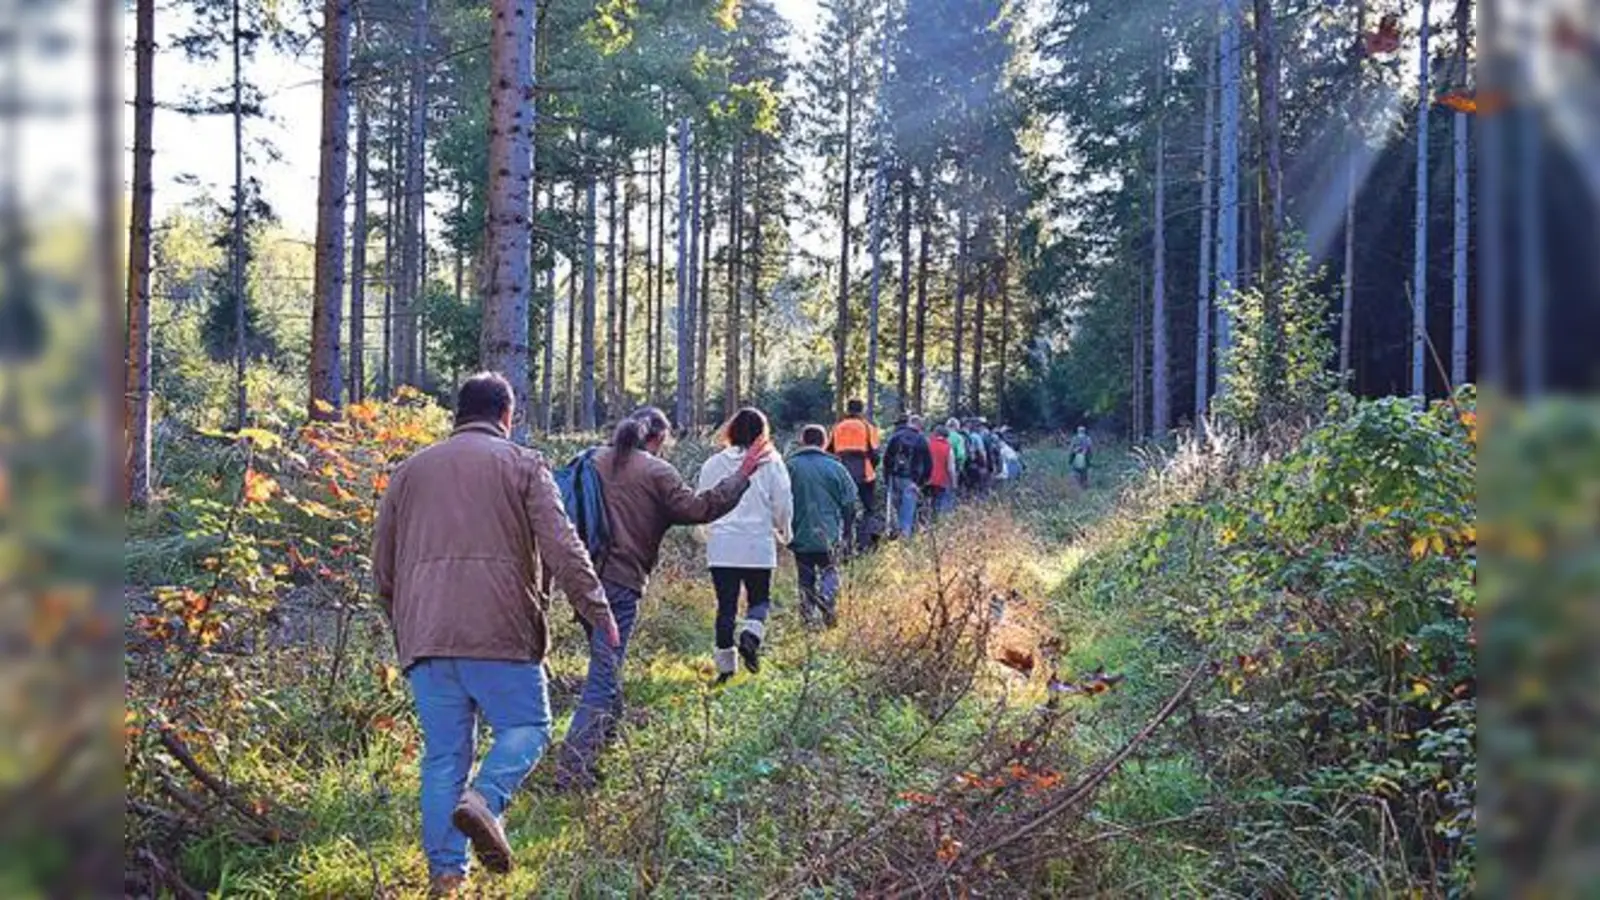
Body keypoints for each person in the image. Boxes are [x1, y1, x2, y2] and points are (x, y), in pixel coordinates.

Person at [373, 373, 620, 894]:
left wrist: (404, 622)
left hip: (426, 634)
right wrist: (597, 609)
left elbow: (383, 567)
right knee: (529, 726)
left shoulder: (409, 471)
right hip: (501, 629)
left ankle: (446, 876)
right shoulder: (524, 465)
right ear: (507, 415)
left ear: (457, 414)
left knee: (443, 758)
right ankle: (485, 799)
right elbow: (564, 546)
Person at [555, 407, 767, 789]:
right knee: (603, 674)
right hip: (620, 584)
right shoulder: (655, 471)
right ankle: (572, 768)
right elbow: (700, 509)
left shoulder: (590, 459)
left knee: (607, 665)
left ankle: (603, 746)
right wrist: (742, 475)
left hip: (580, 581)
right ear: (657, 438)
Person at [697, 408, 794, 681]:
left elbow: (703, 501)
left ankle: (725, 669)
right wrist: (783, 531)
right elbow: (783, 501)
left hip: (723, 545)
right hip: (758, 542)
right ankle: (751, 634)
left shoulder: (714, 463)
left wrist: (707, 533)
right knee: (759, 599)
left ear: (731, 430)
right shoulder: (772, 462)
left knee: (725, 606)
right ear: (763, 433)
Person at [785, 424, 858, 628]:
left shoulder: (790, 466)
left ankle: (807, 617)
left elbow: (778, 499)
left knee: (805, 575)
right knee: (830, 570)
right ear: (824, 441)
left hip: (800, 531)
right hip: (830, 532)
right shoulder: (836, 467)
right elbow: (850, 503)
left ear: (802, 440)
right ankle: (827, 598)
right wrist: (847, 534)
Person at [827, 399, 882, 553]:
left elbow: (828, 451)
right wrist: (873, 467)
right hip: (865, 474)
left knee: (843, 509)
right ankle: (865, 544)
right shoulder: (868, 427)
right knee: (869, 508)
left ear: (847, 409)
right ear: (861, 411)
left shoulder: (837, 427)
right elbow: (875, 453)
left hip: (841, 473)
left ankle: (844, 544)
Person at [882, 414, 933, 538]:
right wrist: (921, 482)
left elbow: (886, 459)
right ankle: (905, 539)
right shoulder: (921, 440)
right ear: (920, 426)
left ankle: (894, 535)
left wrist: (887, 478)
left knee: (895, 509)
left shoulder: (895, 437)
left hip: (894, 478)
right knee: (908, 512)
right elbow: (928, 464)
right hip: (911, 480)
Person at [926, 423, 959, 517]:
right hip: (942, 480)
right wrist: (954, 482)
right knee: (941, 505)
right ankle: (939, 522)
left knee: (928, 504)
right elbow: (950, 468)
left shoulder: (928, 444)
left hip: (927, 480)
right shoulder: (948, 448)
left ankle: (927, 522)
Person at [945, 417, 969, 498]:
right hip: (954, 466)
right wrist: (961, 465)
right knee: (953, 488)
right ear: (956, 426)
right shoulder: (959, 437)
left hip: (940, 466)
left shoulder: (943, 436)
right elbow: (960, 455)